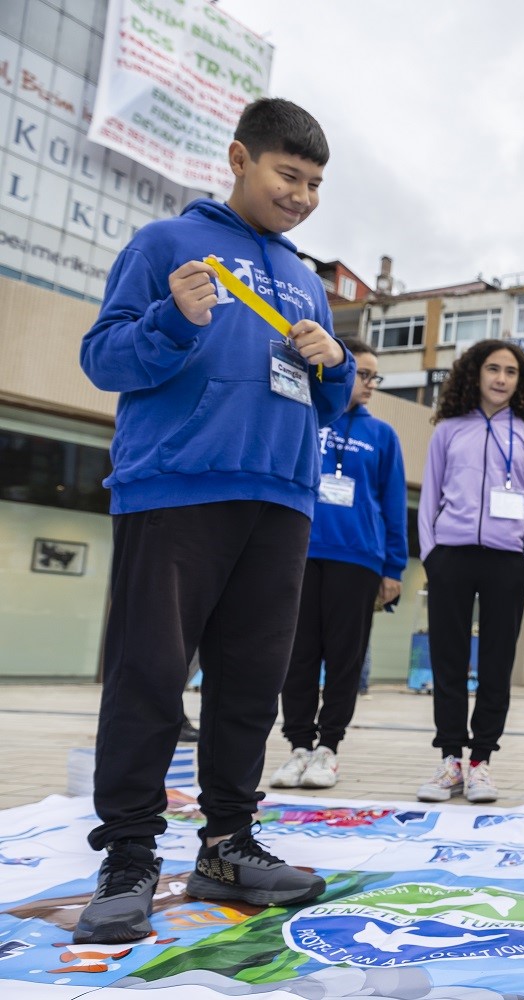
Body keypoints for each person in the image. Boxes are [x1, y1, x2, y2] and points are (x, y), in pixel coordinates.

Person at [74, 98, 349, 944]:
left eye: (314, 183)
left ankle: (228, 845)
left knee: (250, 687)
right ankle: (128, 856)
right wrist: (172, 317)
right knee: (149, 678)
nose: (301, 195)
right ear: (239, 158)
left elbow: (325, 402)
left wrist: (333, 365)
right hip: (177, 487)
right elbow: (102, 357)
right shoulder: (163, 246)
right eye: (287, 175)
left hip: (281, 497)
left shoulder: (306, 277)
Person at [416, 339, 524, 802]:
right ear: (475, 374)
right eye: (492, 369)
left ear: (521, 380)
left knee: (496, 665)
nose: (500, 379)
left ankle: (481, 762)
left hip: (506, 562)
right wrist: (431, 553)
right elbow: (429, 495)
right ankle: (450, 759)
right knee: (447, 661)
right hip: (451, 557)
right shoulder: (449, 430)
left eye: (510, 372)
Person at [271, 337, 407, 790]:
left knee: (344, 660)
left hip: (358, 560)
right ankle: (298, 748)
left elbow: (392, 504)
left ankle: (329, 749)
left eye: (373, 377)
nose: (369, 384)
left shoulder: (382, 435)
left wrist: (394, 567)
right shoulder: (306, 414)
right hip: (300, 553)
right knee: (299, 657)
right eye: (362, 374)